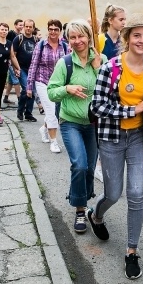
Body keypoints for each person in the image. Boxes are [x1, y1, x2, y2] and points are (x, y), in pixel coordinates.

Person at [87, 13, 143, 280]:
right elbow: (98, 106)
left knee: (137, 194)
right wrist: (133, 109)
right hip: (112, 139)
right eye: (137, 35)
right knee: (114, 194)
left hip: (139, 140)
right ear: (127, 38)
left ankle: (131, 251)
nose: (142, 40)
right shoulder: (111, 67)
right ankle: (97, 215)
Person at [47, 20, 104, 234]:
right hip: (70, 121)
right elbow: (52, 92)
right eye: (72, 37)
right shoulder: (65, 63)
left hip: (93, 123)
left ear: (89, 37)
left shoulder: (101, 61)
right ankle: (81, 209)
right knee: (79, 165)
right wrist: (67, 88)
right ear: (67, 40)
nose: (77, 41)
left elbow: (111, 91)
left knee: (89, 168)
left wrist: (99, 69)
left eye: (81, 36)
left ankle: (80, 195)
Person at [28, 19, 68, 153]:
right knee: (51, 111)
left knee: (56, 111)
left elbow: (68, 65)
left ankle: (44, 128)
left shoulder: (65, 46)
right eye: (50, 29)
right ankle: (54, 142)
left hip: (58, 83)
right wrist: (29, 86)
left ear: (60, 31)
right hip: (42, 81)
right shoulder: (41, 45)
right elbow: (33, 65)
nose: (53, 32)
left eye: (56, 29)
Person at [10, 18, 39, 122]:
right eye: (26, 26)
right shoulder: (18, 39)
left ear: (33, 28)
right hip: (21, 68)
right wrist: (15, 69)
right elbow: (13, 55)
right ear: (24, 27)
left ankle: (28, 113)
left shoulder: (36, 40)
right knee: (27, 88)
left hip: (33, 70)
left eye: (30, 27)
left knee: (31, 90)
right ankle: (20, 110)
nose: (28, 28)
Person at [2, 18, 24, 106]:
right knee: (16, 80)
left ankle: (6, 97)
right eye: (20, 25)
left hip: (16, 59)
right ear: (15, 25)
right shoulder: (11, 33)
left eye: (22, 25)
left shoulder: (21, 36)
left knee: (11, 81)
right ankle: (20, 99)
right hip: (11, 60)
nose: (21, 26)